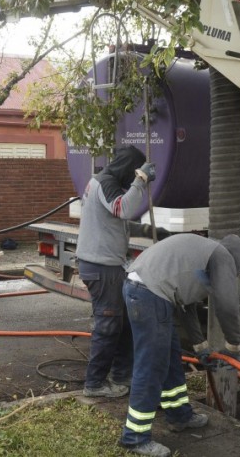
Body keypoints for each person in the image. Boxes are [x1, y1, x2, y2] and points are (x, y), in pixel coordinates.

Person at [119, 233, 240, 457]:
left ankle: (179, 416)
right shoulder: (223, 257)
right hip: (150, 293)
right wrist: (234, 346)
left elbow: (185, 305)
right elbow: (227, 305)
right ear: (235, 262)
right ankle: (134, 437)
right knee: (151, 366)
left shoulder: (202, 255)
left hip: (145, 289)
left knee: (170, 357)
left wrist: (200, 347)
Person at [75, 145, 168, 398]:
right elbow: (123, 209)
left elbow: (115, 222)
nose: (131, 180)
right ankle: (94, 384)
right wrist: (141, 180)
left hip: (109, 266)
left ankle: (120, 375)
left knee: (124, 323)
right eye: (133, 172)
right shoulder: (104, 182)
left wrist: (146, 231)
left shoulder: (106, 183)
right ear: (129, 168)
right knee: (108, 325)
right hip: (102, 267)